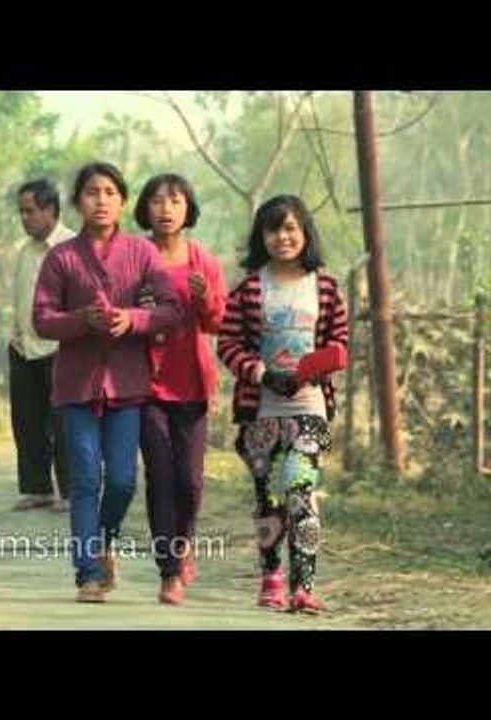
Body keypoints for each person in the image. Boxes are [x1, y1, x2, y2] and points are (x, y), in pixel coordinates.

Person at [32, 161, 185, 603]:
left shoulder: (142, 253)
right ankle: (88, 573)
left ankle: (103, 540)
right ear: (77, 201)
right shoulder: (61, 257)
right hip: (76, 387)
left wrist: (131, 319)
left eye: (109, 193)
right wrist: (84, 319)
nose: (101, 201)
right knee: (84, 480)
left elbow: (171, 310)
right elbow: (42, 319)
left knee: (121, 481)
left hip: (127, 384)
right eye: (91, 192)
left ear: (122, 201)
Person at [217, 194, 348, 614]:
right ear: (261, 236)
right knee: (268, 498)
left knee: (298, 488)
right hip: (261, 411)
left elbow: (339, 343)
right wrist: (261, 373)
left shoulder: (325, 288)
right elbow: (228, 343)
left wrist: (310, 370)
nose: (282, 237)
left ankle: (302, 587)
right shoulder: (249, 289)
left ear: (305, 233)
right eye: (273, 229)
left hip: (310, 408)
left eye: (290, 228)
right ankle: (271, 576)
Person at [133, 173, 227, 605]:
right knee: (160, 476)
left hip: (191, 383)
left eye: (174, 200)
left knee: (189, 480)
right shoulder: (134, 256)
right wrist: (137, 309)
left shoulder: (202, 260)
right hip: (145, 383)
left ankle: (185, 541)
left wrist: (205, 298)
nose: (165, 209)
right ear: (144, 209)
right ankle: (168, 571)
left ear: (188, 208)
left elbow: (218, 322)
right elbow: (119, 312)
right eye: (156, 201)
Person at [9, 179, 72, 512]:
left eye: (30, 211)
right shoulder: (24, 251)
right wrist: (16, 337)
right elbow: (20, 298)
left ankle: (70, 492)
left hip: (60, 349)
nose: (24, 218)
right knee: (27, 421)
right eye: (21, 211)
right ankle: (37, 488)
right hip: (24, 348)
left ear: (50, 209)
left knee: (64, 423)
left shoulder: (72, 246)